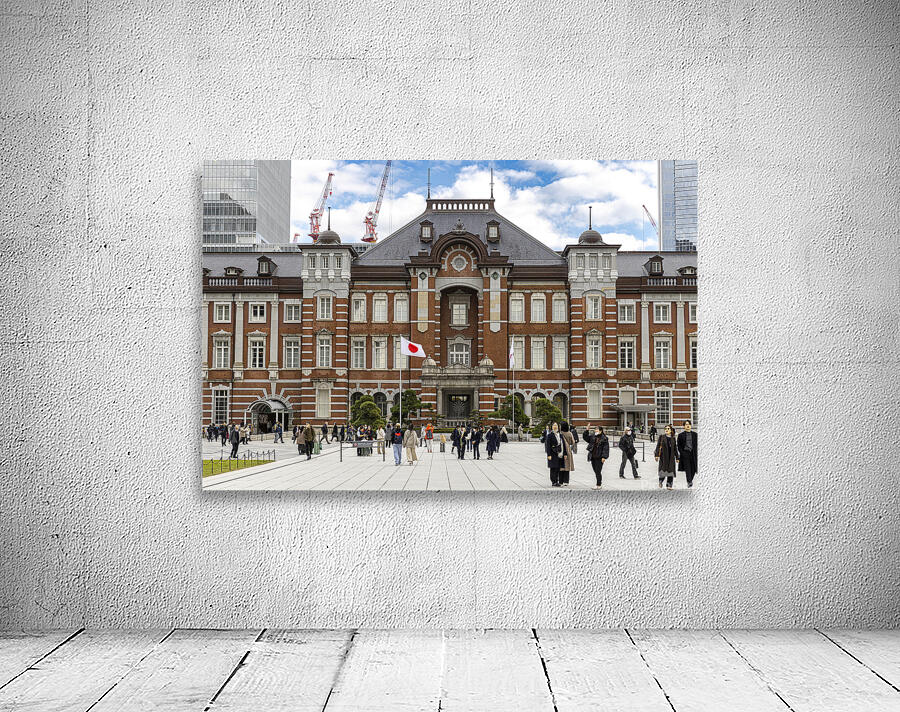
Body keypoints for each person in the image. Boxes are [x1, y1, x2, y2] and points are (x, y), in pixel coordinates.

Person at [655, 424, 678, 489]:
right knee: (663, 470)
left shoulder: (673, 438)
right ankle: (660, 481)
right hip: (663, 456)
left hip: (671, 457)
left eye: (668, 429)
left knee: (671, 471)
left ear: (671, 430)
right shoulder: (662, 437)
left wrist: (677, 457)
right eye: (665, 429)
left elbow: (675, 448)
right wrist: (656, 455)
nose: (666, 430)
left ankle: (669, 485)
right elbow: (658, 446)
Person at [544, 421, 567, 487]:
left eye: (556, 425)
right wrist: (549, 455)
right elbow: (548, 446)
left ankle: (557, 481)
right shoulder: (550, 436)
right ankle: (553, 482)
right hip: (553, 453)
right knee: (553, 468)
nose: (555, 426)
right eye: (554, 425)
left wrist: (565, 454)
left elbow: (563, 445)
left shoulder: (560, 435)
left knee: (558, 468)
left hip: (560, 454)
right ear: (551, 427)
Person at [676, 420, 698, 488]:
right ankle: (689, 482)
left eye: (689, 424)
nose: (687, 426)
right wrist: (682, 453)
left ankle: (690, 480)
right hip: (685, 453)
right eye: (686, 424)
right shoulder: (680, 435)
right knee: (687, 468)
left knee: (694, 468)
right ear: (684, 426)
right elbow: (678, 446)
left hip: (693, 453)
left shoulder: (695, 434)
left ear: (690, 426)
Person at [560, 421, 576, 487]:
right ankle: (566, 481)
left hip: (561, 450)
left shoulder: (560, 433)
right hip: (568, 451)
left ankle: (560, 481)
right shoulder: (569, 433)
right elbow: (573, 442)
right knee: (567, 466)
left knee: (561, 466)